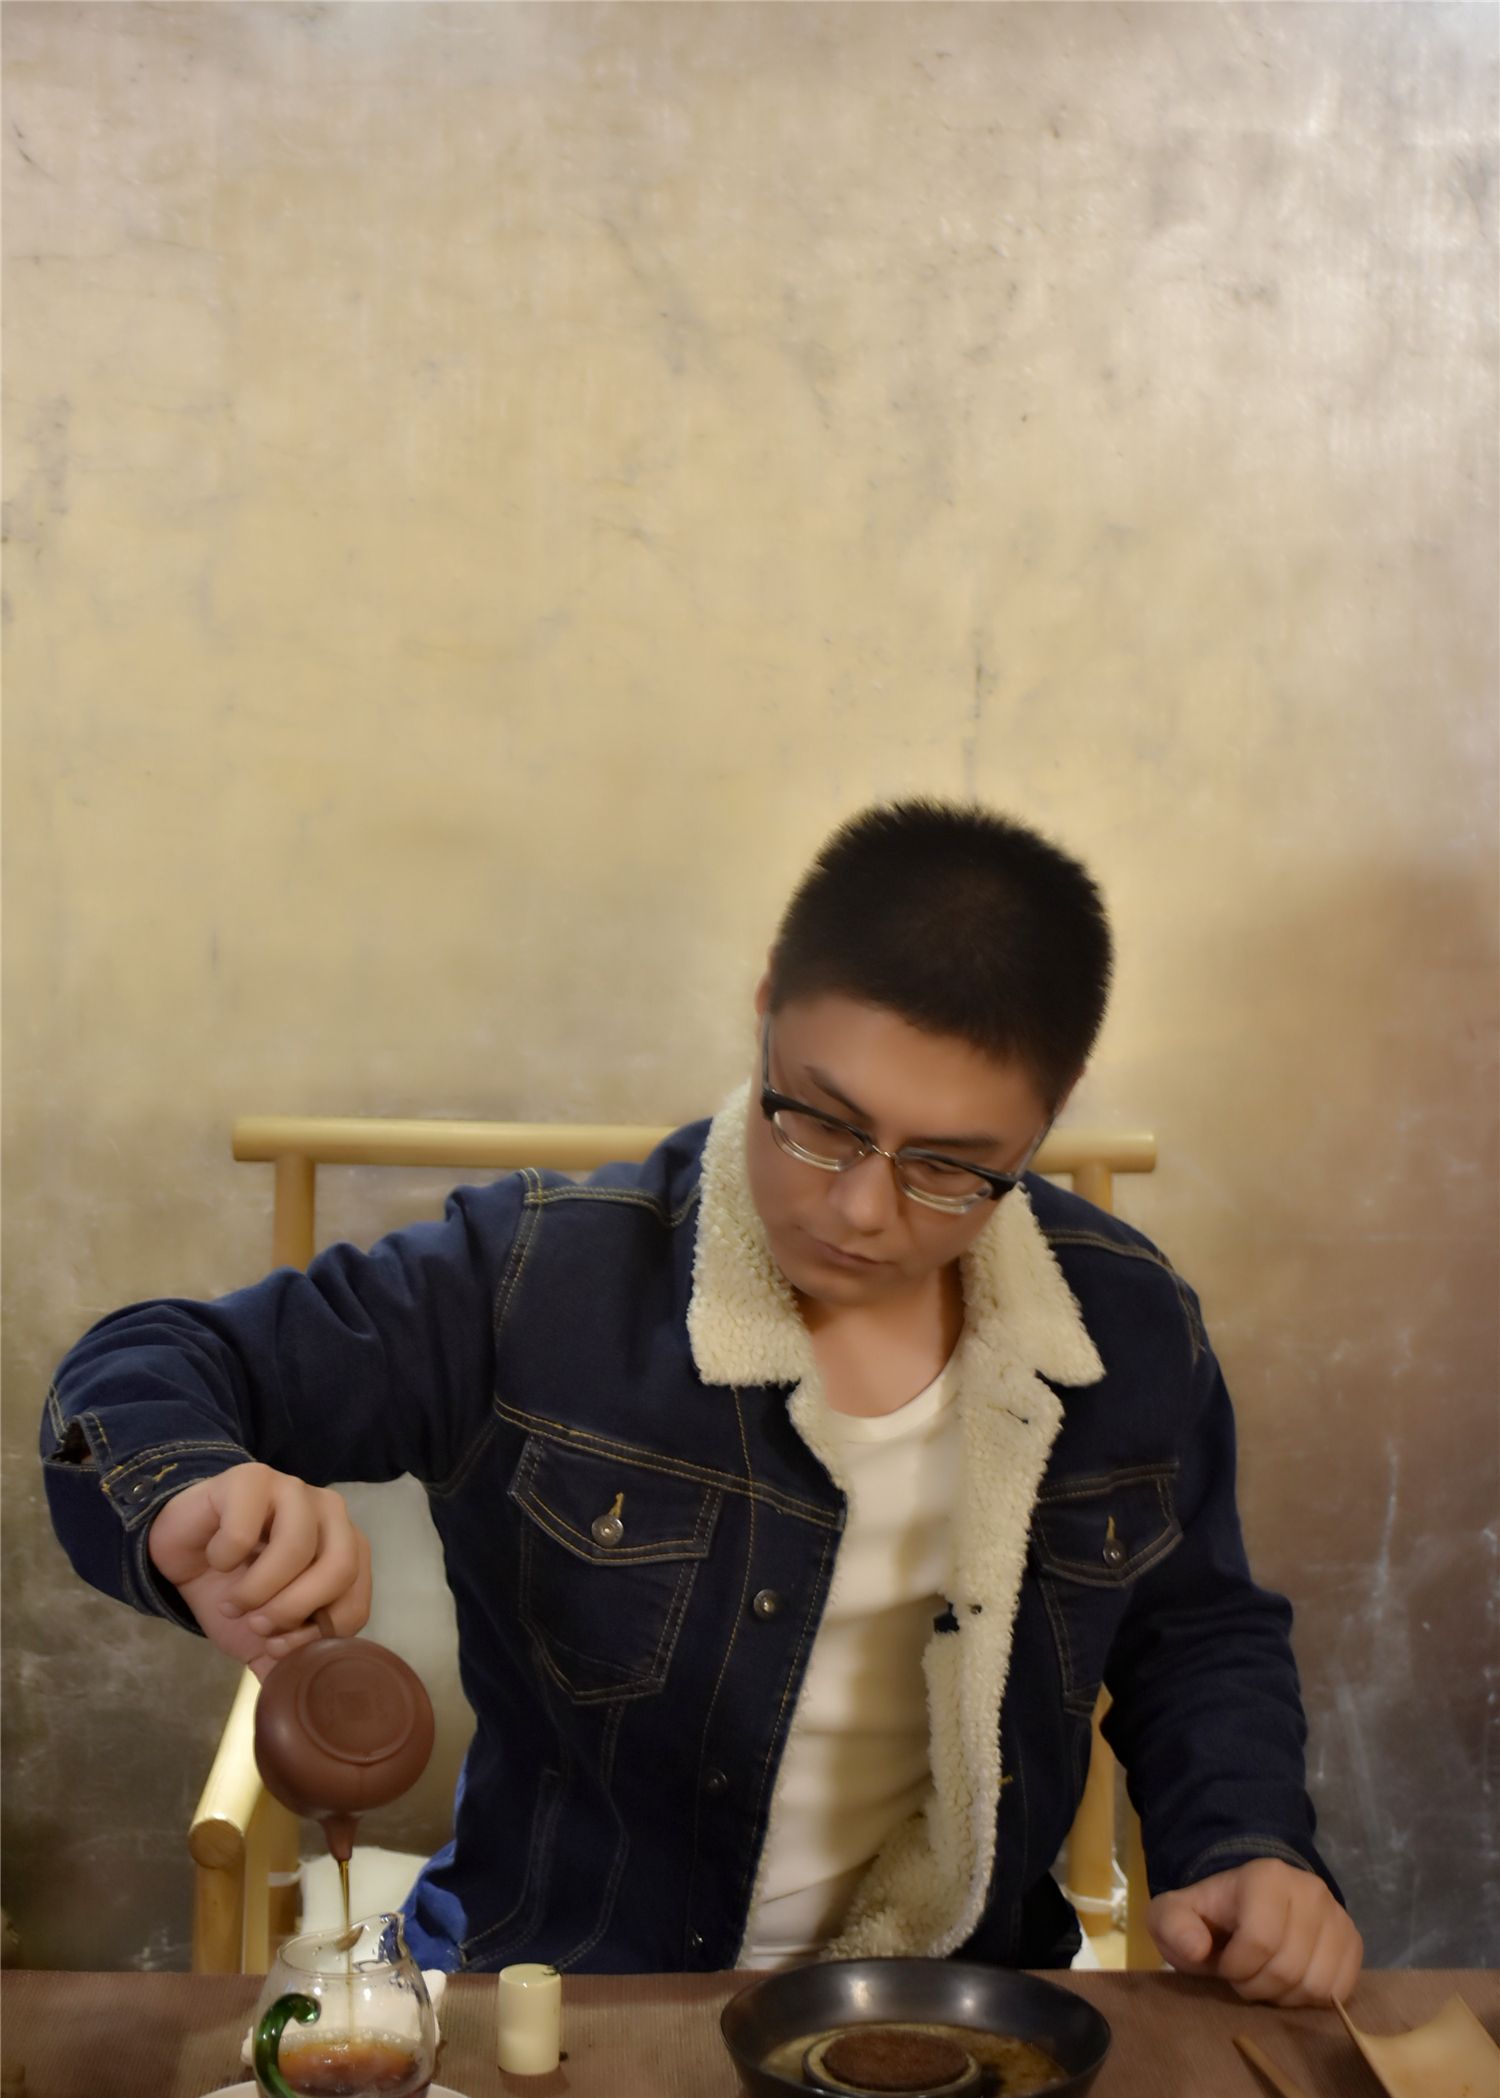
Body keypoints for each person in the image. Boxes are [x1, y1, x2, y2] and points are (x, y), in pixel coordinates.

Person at [42, 800, 1361, 2002]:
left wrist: (1246, 1841)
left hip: (956, 2010)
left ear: (1046, 1121)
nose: (862, 1207)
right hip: (570, 1995)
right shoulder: (537, 1280)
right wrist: (193, 1500)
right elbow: (142, 1370)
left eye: (951, 1168)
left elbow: (1198, 1630)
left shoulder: (1125, 1324)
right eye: (821, 1121)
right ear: (767, 1005)